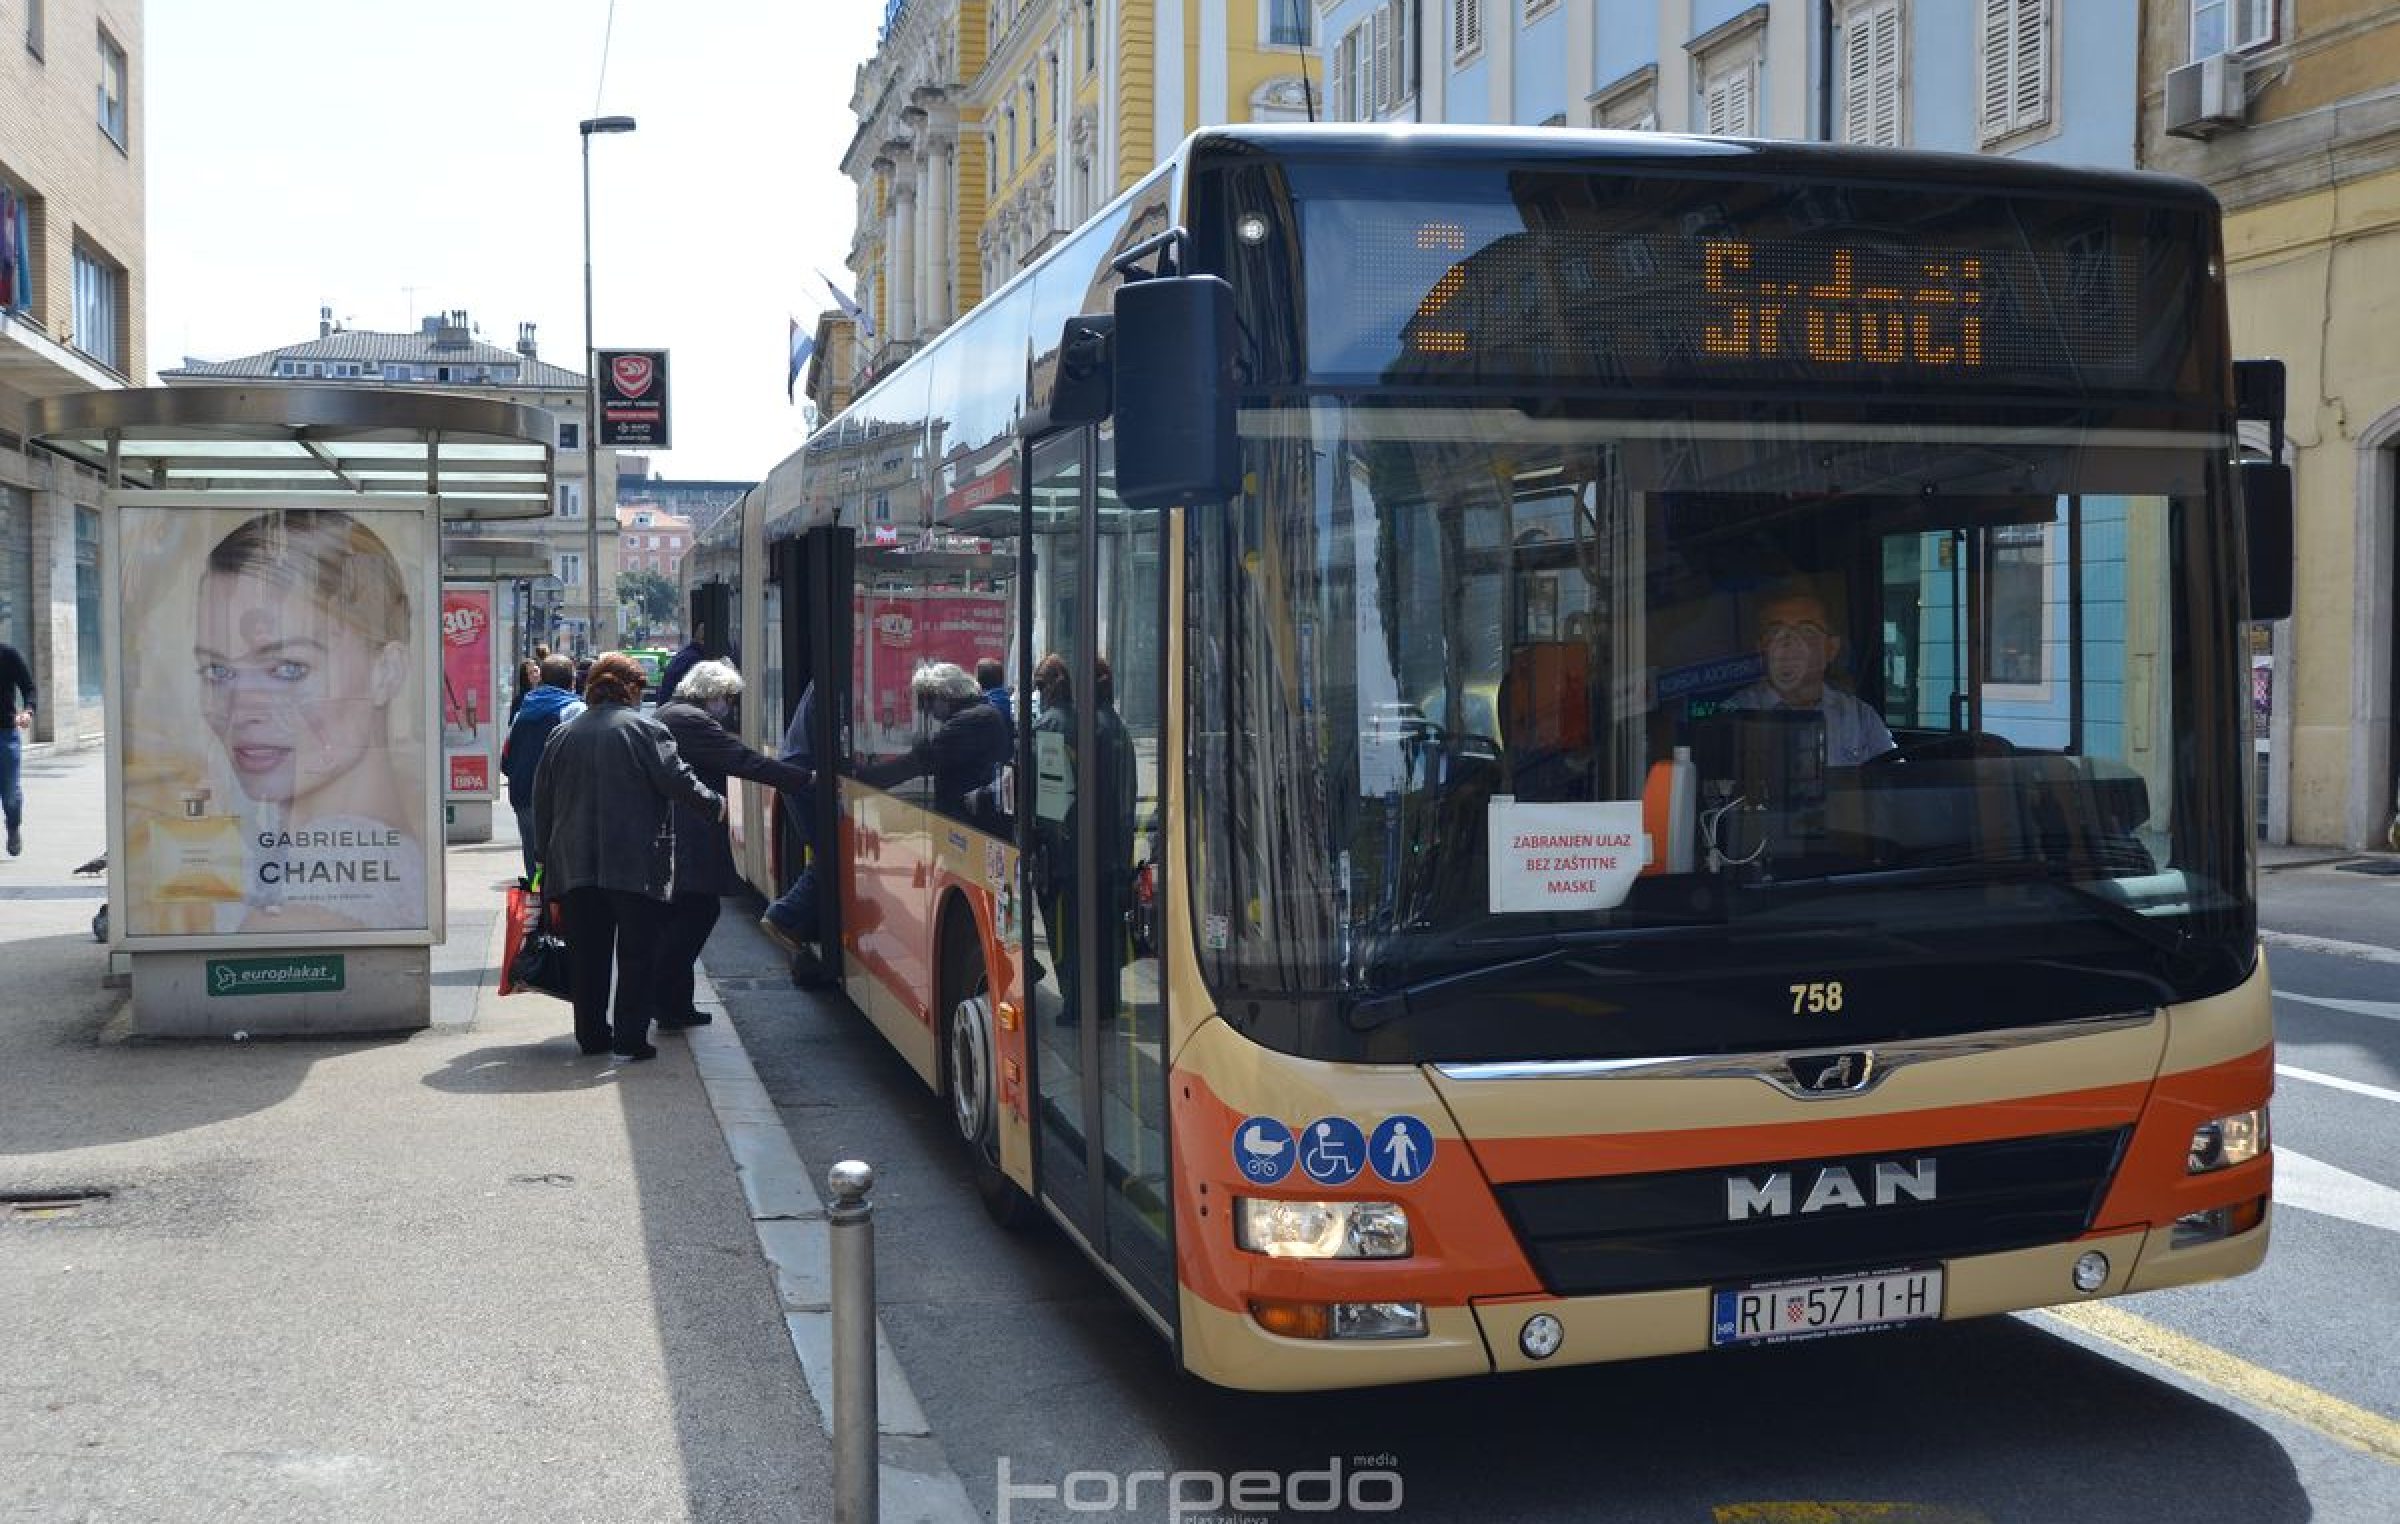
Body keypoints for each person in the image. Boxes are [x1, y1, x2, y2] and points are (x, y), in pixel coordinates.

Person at [195, 509, 424, 931]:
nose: (242, 710)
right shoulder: (376, 862)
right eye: (218, 671)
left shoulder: (297, 921)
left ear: (386, 672)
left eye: (288, 669)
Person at [532, 651, 724, 1061]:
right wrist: (715, 805)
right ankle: (630, 1038)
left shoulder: (562, 735)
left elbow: (542, 801)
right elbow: (677, 781)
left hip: (575, 863)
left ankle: (592, 1036)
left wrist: (543, 861)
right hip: (635, 863)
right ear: (632, 689)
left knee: (588, 955)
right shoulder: (645, 730)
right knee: (637, 954)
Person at [653, 660, 813, 1029]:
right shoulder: (691, 721)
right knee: (697, 913)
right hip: (689, 832)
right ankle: (664, 998)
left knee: (684, 914)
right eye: (728, 698)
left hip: (677, 829)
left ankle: (676, 1004)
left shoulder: (670, 712)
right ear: (714, 695)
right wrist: (803, 779)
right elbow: (742, 760)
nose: (729, 707)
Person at [1029, 653, 1137, 1026]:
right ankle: (1104, 1002)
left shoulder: (1050, 726)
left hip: (1063, 853)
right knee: (1102, 933)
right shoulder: (1105, 726)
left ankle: (1075, 1004)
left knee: (1067, 935)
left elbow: (1048, 799)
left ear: (1046, 688)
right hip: (1106, 850)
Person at [1724, 584, 1896, 765]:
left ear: (1831, 648)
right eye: (1775, 632)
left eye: (1807, 631)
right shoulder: (1734, 714)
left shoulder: (1859, 717)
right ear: (1761, 649)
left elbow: (1893, 783)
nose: (1789, 643)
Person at [858, 661, 1012, 821]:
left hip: (969, 823)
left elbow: (920, 761)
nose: (927, 710)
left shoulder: (971, 721)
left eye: (929, 702)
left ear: (945, 694)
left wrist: (863, 779)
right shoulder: (980, 714)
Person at [499, 654, 584, 883]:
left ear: (542, 680)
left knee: (534, 856)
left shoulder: (522, 710)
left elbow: (506, 758)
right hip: (561, 799)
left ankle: (538, 904)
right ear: (572, 681)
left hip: (523, 793)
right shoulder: (575, 710)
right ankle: (559, 911)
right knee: (565, 862)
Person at [758, 679, 824, 961]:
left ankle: (793, 921)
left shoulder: (818, 684)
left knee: (823, 852)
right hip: (804, 776)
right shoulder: (831, 682)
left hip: (798, 771)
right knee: (828, 854)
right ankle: (783, 916)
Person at [0, 638, 33, 857]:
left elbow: (29, 687)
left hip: (6, 735)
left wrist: (28, 711)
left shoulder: (9, 655)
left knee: (10, 793)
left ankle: (13, 827)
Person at [505, 657, 543, 725]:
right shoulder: (520, 700)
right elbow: (512, 724)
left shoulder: (546, 694)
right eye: (530, 673)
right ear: (525, 677)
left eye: (535, 671)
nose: (534, 675)